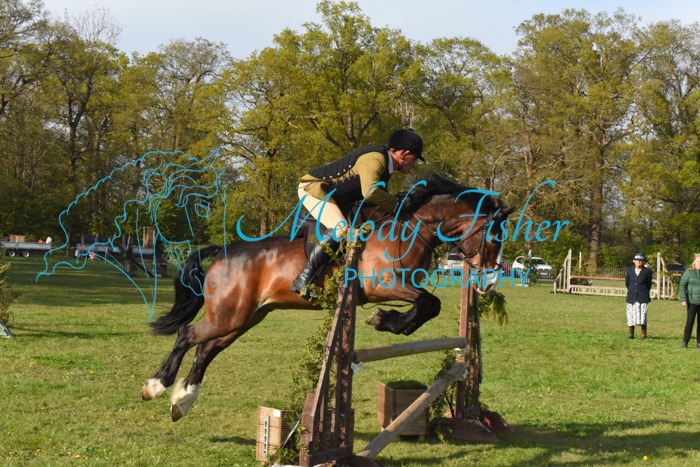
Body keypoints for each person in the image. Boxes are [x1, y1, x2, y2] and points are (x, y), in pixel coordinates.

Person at [290, 129, 424, 298]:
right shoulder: (376, 159)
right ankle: (303, 279)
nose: (414, 164)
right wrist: (397, 203)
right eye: (414, 158)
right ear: (403, 153)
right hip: (313, 188)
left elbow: (376, 200)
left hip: (335, 197)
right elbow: (370, 192)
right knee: (340, 228)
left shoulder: (386, 167)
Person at [625, 253, 653, 339]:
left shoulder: (647, 271)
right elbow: (627, 283)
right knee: (631, 315)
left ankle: (643, 334)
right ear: (634, 261)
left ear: (643, 262)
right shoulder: (629, 270)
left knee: (642, 315)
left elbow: (649, 284)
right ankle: (631, 334)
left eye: (641, 260)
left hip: (642, 296)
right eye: (637, 260)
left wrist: (643, 291)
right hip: (631, 296)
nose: (639, 262)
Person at [679, 253, 700, 348]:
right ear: (694, 262)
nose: (699, 263)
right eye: (698, 261)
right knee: (690, 322)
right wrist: (683, 299)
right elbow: (682, 286)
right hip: (692, 302)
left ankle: (699, 343)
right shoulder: (689, 272)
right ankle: (685, 342)